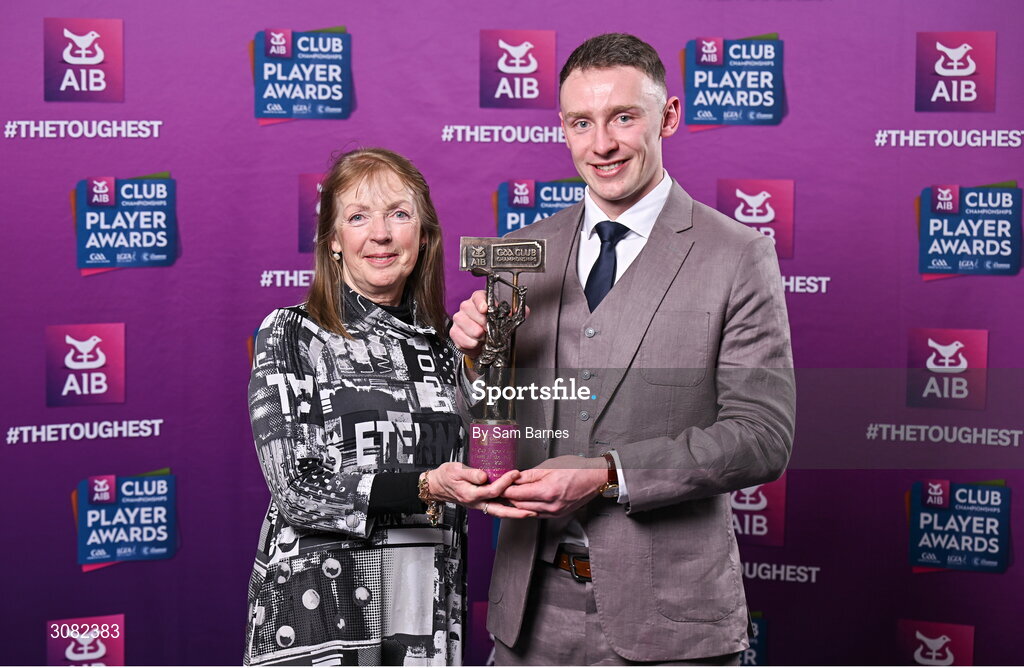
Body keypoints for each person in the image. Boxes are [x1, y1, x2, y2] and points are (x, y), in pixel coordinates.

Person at [450, 34, 796, 665]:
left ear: (668, 117)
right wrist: (475, 364)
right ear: (563, 128)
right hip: (528, 621)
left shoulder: (737, 255)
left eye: (623, 118)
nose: (601, 144)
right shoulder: (522, 254)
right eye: (582, 122)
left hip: (671, 624)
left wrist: (610, 475)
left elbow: (761, 438)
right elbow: (487, 423)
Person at [245, 148, 533, 666]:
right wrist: (425, 486)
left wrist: (487, 362)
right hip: (321, 609)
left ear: (423, 237)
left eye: (399, 214)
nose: (380, 234)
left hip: (426, 600)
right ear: (333, 241)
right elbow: (295, 490)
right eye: (358, 217)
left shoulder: (447, 346)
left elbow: (493, 465)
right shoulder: (294, 333)